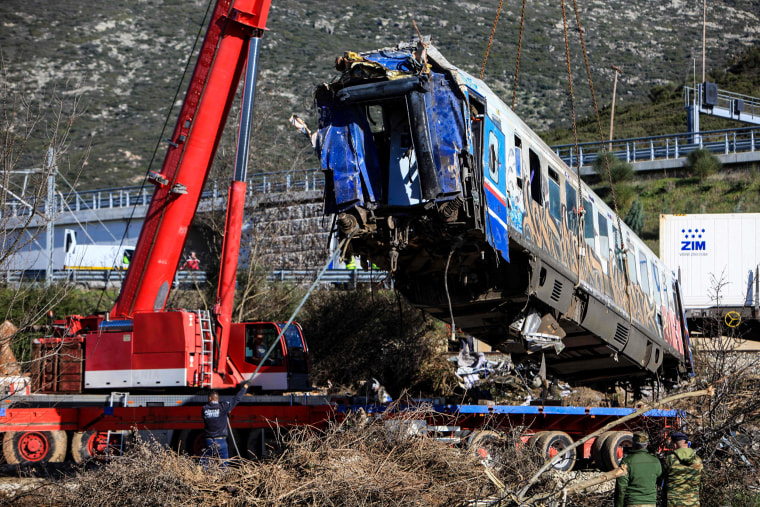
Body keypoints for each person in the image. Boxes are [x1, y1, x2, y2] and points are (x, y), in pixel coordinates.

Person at [201, 380, 249, 468]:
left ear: (209, 399)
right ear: (217, 399)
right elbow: (236, 399)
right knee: (224, 464)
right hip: (220, 440)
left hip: (209, 440)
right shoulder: (223, 407)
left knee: (206, 464)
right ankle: (224, 477)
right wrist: (244, 388)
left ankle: (204, 478)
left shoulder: (204, 409)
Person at [614, 432, 662, 507]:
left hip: (632, 502)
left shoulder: (626, 462)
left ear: (633, 444)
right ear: (647, 444)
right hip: (650, 503)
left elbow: (621, 488)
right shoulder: (655, 461)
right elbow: (660, 479)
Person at [663, 431, 703, 507]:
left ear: (674, 445)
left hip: (674, 502)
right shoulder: (698, 460)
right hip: (693, 502)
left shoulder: (670, 460)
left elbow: (661, 476)